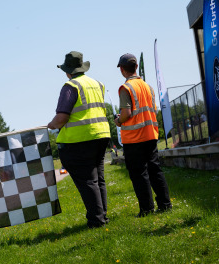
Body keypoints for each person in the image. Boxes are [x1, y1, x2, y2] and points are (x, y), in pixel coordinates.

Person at [48, 51, 111, 228]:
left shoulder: (70, 86)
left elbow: (61, 118)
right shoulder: (98, 84)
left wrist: (51, 125)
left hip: (80, 139)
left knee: (88, 181)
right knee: (98, 179)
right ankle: (102, 216)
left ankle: (96, 220)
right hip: (101, 134)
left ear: (68, 71)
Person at [114, 53, 172, 217]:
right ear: (136, 67)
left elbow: (126, 113)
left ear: (122, 69)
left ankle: (147, 209)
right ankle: (165, 204)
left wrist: (119, 121)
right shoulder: (148, 87)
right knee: (155, 171)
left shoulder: (126, 88)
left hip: (133, 138)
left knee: (139, 174)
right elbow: (152, 110)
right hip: (150, 135)